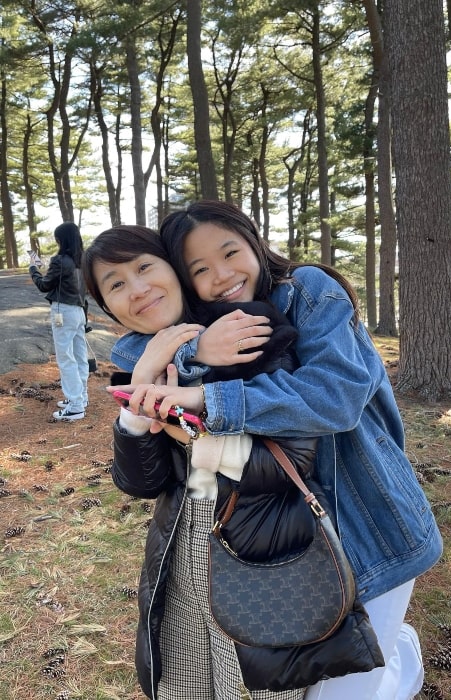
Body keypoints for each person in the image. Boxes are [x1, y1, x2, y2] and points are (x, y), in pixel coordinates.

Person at [111, 201, 443, 700]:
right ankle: (394, 658)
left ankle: (401, 659)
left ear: (254, 243)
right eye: (199, 269)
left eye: (230, 253)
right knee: (319, 684)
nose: (222, 276)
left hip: (371, 527)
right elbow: (131, 351)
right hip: (296, 544)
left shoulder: (306, 291)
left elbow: (334, 398)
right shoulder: (211, 327)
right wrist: (191, 352)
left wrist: (206, 395)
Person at [83, 225, 342, 700]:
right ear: (106, 305)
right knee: (182, 684)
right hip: (182, 554)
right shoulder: (142, 355)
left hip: (259, 555)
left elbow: (293, 461)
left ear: (175, 272)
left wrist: (190, 429)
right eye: (115, 284)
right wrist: (138, 403)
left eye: (144, 268)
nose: (137, 289)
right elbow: (141, 482)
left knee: (248, 686)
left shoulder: (244, 329)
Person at [29, 222, 89, 421]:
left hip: (63, 311)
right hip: (80, 312)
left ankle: (76, 406)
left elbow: (44, 285)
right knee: (79, 357)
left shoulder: (60, 260)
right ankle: (81, 398)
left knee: (66, 359)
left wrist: (33, 268)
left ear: (61, 240)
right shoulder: (83, 260)